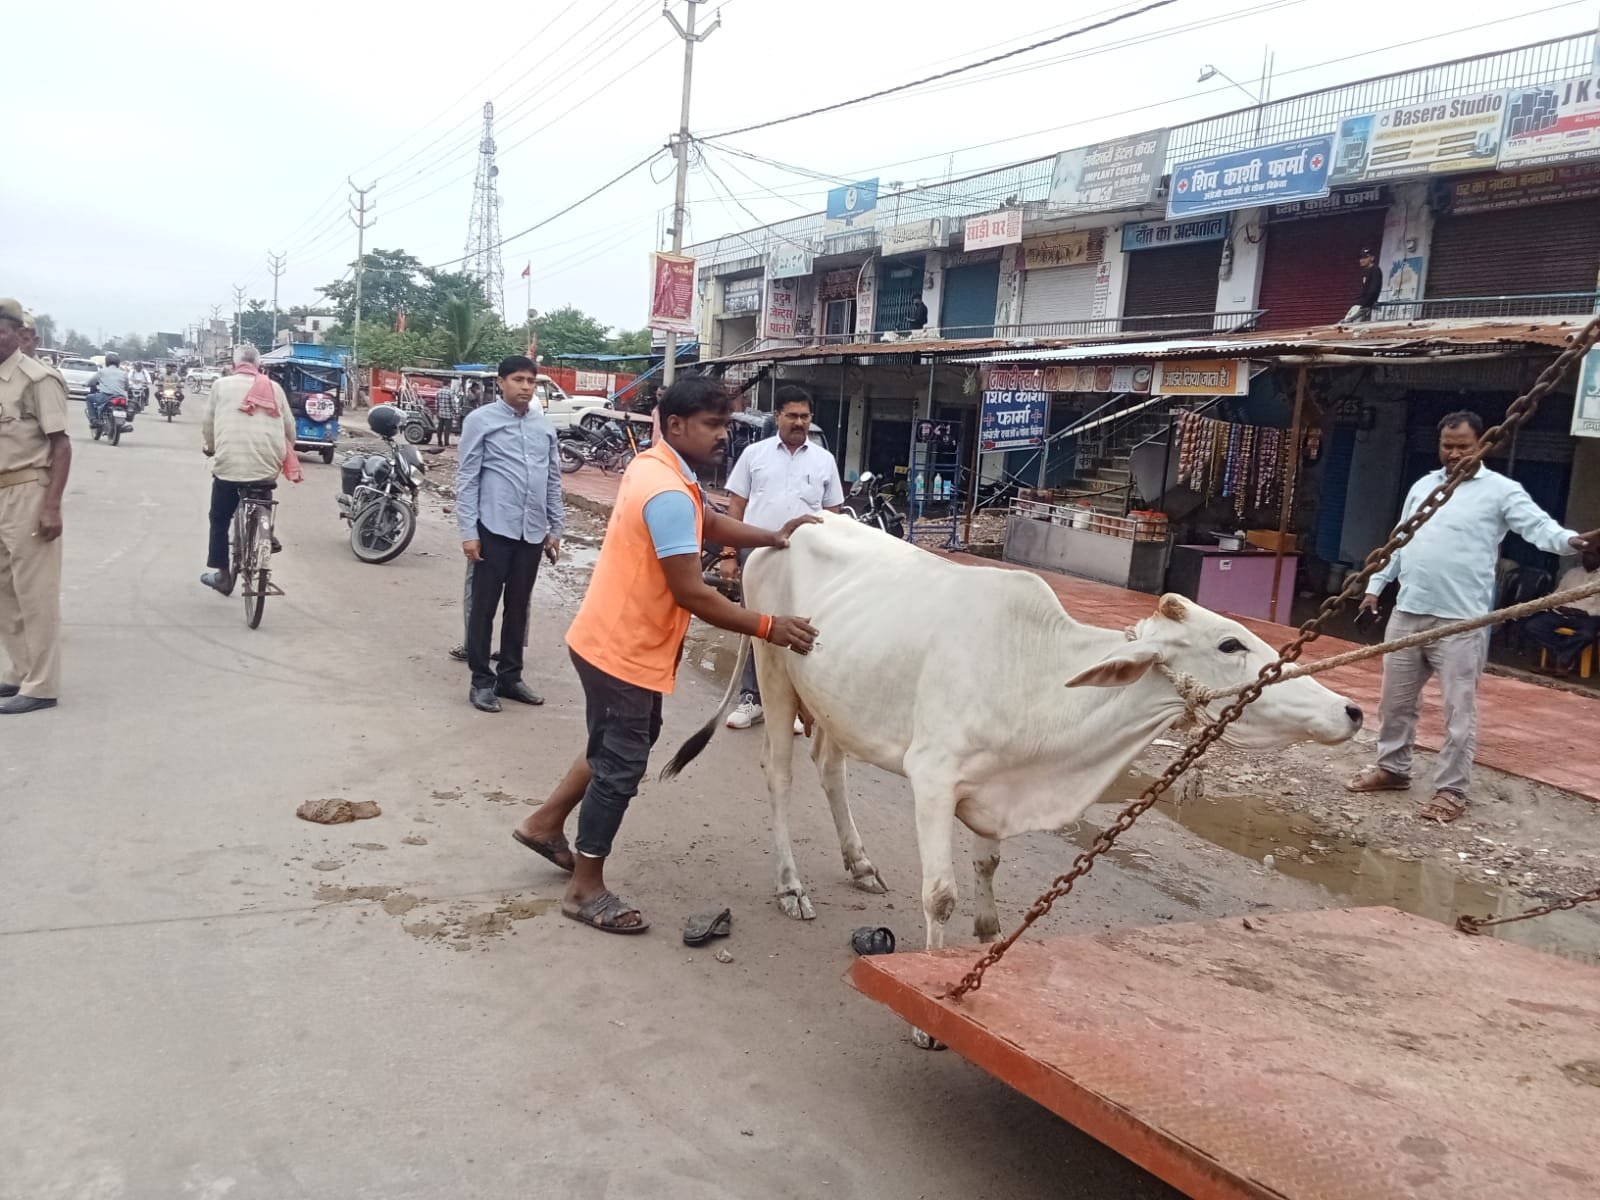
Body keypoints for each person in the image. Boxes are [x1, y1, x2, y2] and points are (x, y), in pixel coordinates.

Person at [512, 375, 820, 934]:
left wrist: (772, 537)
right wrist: (770, 625)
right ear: (676, 424)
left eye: (727, 424)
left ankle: (543, 824)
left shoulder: (656, 465)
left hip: (607, 638)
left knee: (613, 743)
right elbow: (692, 593)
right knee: (622, 764)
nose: (723, 435)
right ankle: (585, 889)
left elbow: (709, 523)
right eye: (713, 425)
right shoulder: (669, 491)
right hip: (624, 648)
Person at [1347, 410, 1600, 822]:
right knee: (1395, 704)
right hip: (1409, 612)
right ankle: (1392, 769)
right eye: (1447, 446)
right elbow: (1399, 541)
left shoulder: (1501, 491)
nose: (1454, 454)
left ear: (1482, 444)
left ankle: (1452, 791)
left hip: (1461, 623)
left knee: (1458, 712)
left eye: (1463, 446)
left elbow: (1538, 528)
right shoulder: (1423, 486)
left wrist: (1572, 540)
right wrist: (1374, 590)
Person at [720, 385, 844, 729]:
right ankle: (752, 699)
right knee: (755, 625)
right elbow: (736, 506)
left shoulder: (824, 461)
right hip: (758, 554)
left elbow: (833, 512)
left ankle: (798, 704)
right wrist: (730, 553)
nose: (799, 422)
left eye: (805, 416)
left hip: (806, 559)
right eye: (792, 415)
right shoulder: (754, 455)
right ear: (778, 416)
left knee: (804, 627)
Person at [456, 355, 564, 713]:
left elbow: (552, 480)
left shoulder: (544, 426)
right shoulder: (480, 421)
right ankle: (481, 681)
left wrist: (556, 528)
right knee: (484, 608)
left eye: (531, 381)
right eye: (518, 380)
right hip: (493, 528)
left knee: (519, 607)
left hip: (531, 533)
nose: (525, 387)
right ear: (500, 383)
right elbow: (468, 478)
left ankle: (510, 677)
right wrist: (469, 531)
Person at [0, 298, 73, 715]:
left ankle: (42, 685)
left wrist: (52, 507)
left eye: (2, 331)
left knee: (35, 594)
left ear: (15, 334)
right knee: (4, 592)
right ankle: (19, 671)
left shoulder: (36, 379)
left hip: (28, 491)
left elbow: (60, 445)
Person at [199, 345, 296, 595]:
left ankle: (223, 576)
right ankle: (266, 530)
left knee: (219, 518)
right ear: (258, 365)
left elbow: (209, 423)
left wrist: (210, 447)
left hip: (229, 465)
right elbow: (289, 428)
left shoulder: (221, 386)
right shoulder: (274, 388)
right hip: (266, 465)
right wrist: (285, 450)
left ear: (235, 364)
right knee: (261, 489)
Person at [1522, 544, 1600, 674]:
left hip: (1588, 617)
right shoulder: (1572, 573)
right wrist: (1557, 606)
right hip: (1562, 612)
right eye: (1585, 554)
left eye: (1591, 555)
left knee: (1586, 635)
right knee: (1533, 626)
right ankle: (1564, 658)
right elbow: (1557, 595)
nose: (1586, 558)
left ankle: (1557, 660)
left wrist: (1585, 612)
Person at [1343, 249, 1383, 323]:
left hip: (1363, 306)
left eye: (1365, 257)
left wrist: (1365, 305)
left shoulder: (1375, 270)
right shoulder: (1365, 271)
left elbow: (1374, 289)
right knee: (1346, 325)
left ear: (1372, 258)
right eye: (1361, 258)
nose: (1362, 260)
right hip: (1359, 304)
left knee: (1349, 326)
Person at [88, 353, 129, 425]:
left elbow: (91, 382)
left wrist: (87, 384)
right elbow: (126, 387)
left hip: (105, 396)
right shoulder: (124, 373)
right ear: (118, 363)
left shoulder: (102, 371)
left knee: (89, 398)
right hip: (120, 397)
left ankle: (94, 419)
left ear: (107, 362)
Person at [434, 382, 460, 448]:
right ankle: (446, 443)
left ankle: (439, 442)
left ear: (443, 384)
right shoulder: (450, 392)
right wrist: (456, 412)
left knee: (440, 428)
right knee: (447, 429)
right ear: (449, 384)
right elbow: (453, 404)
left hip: (441, 413)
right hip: (448, 414)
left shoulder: (439, 392)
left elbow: (436, 403)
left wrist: (437, 412)